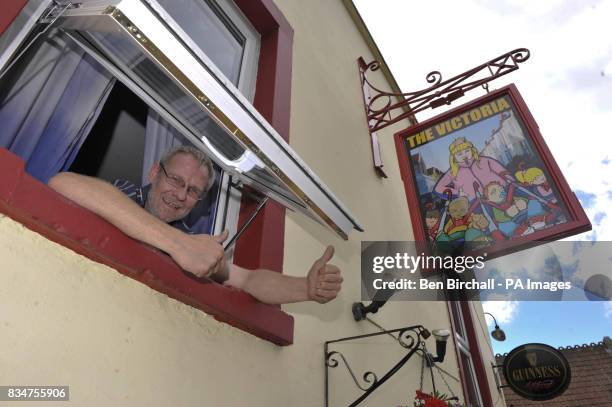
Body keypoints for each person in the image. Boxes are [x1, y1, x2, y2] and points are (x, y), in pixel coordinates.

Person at [48, 145, 342, 305]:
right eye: (176, 180)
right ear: (154, 173)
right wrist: (177, 244)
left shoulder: (193, 243)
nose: (180, 194)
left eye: (192, 191)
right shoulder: (123, 195)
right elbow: (63, 183)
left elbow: (248, 280)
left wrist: (305, 288)